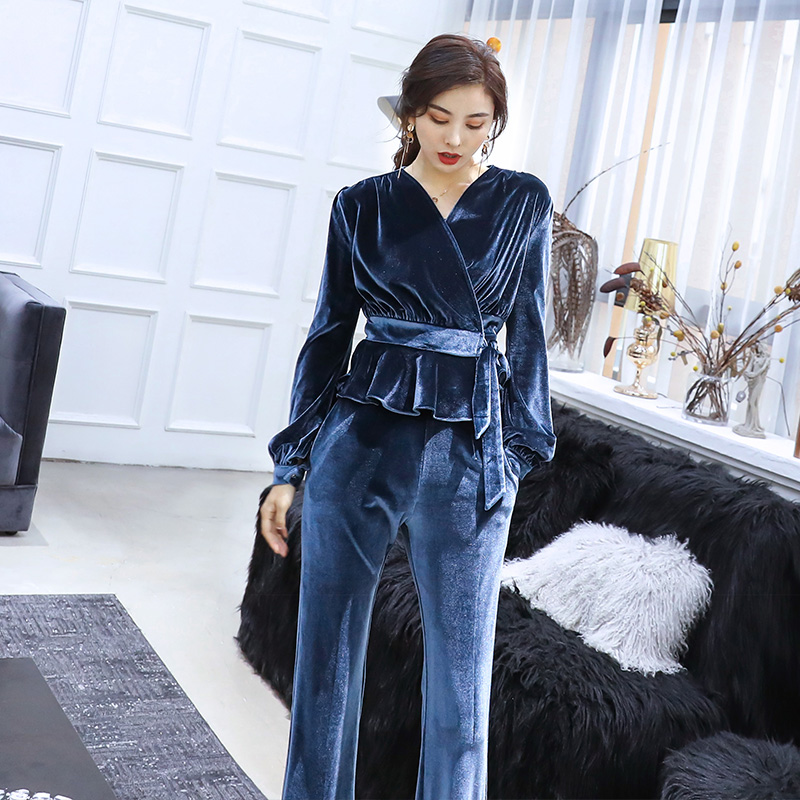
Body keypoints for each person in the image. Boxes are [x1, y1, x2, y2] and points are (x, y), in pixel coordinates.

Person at [259, 32, 556, 800]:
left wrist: (516, 455)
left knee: (462, 689)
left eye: (476, 122)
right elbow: (329, 337)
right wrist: (290, 470)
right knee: (326, 667)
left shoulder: (522, 202)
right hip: (359, 440)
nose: (456, 138)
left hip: (469, 450)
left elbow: (528, 335)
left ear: (495, 122)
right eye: (439, 118)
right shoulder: (361, 206)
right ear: (410, 114)